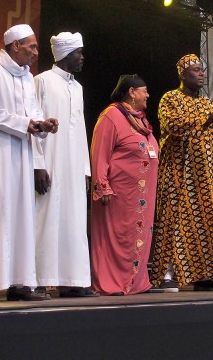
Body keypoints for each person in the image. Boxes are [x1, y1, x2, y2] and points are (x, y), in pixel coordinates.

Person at [0, 24, 57, 302]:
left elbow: (32, 115)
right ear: (15, 45)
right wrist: (25, 123)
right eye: (31, 46)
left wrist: (42, 125)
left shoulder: (27, 78)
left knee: (22, 217)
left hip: (22, 154)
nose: (35, 52)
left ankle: (21, 284)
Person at [150, 54, 213, 292]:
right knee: (173, 221)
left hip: (204, 176)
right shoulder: (170, 99)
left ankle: (205, 276)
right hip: (177, 172)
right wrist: (207, 118)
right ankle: (165, 275)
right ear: (183, 75)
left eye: (202, 69)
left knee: (205, 225)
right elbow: (173, 126)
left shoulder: (206, 103)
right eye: (195, 70)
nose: (201, 73)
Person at [33, 31, 98, 298]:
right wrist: (38, 164)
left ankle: (73, 280)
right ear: (64, 56)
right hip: (49, 161)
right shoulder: (41, 82)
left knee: (73, 220)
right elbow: (34, 123)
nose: (82, 57)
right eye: (78, 53)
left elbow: (80, 129)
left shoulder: (78, 87)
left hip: (73, 165)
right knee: (44, 218)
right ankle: (37, 279)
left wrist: (85, 169)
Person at [90, 74, 160, 296]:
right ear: (131, 92)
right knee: (117, 237)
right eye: (144, 90)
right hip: (118, 194)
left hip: (142, 195)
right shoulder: (111, 116)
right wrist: (102, 186)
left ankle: (136, 282)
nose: (148, 95)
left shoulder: (141, 120)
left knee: (138, 237)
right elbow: (99, 153)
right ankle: (112, 283)